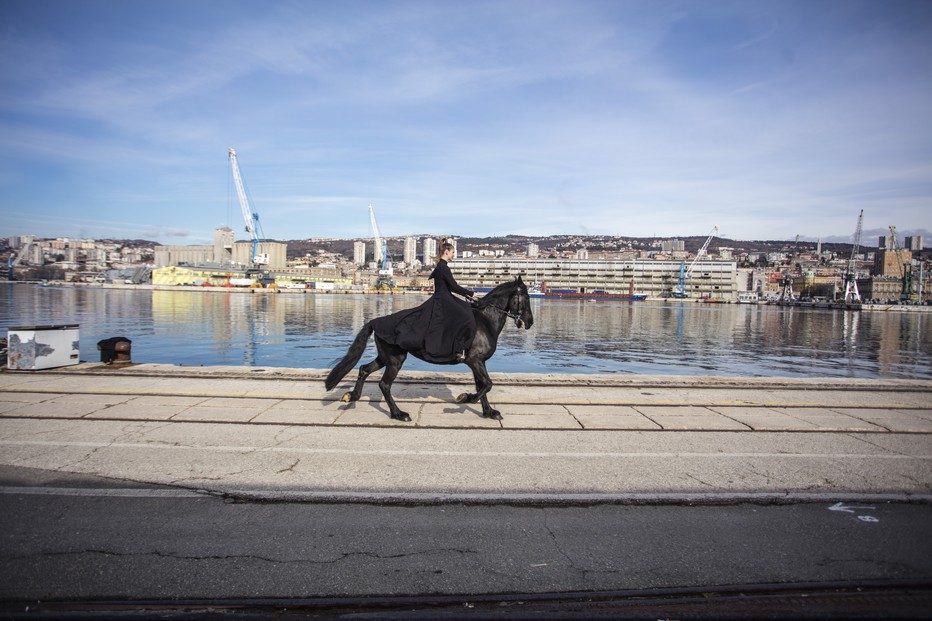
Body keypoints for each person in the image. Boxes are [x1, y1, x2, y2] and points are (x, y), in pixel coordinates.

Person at [370, 240, 477, 363]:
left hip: (444, 297)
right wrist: (471, 293)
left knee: (464, 312)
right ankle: (459, 349)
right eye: (453, 252)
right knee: (467, 316)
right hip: (443, 299)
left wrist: (467, 295)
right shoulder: (443, 268)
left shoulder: (441, 267)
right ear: (446, 252)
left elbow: (451, 287)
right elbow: (454, 286)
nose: (454, 255)